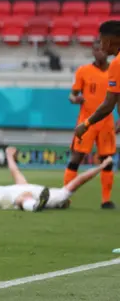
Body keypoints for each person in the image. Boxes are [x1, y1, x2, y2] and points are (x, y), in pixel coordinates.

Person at [66, 41, 116, 209]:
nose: (100, 52)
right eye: (97, 50)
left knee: (107, 160)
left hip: (107, 122)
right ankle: (65, 197)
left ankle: (106, 200)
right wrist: (76, 99)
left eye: (102, 49)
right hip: (86, 122)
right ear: (93, 52)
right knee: (76, 157)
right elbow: (72, 95)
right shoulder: (83, 71)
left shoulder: (115, 70)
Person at [74, 21, 120, 205]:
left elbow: (109, 103)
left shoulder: (116, 64)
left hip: (101, 121)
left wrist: (85, 124)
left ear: (112, 40)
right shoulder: (86, 70)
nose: (100, 45)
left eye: (102, 40)